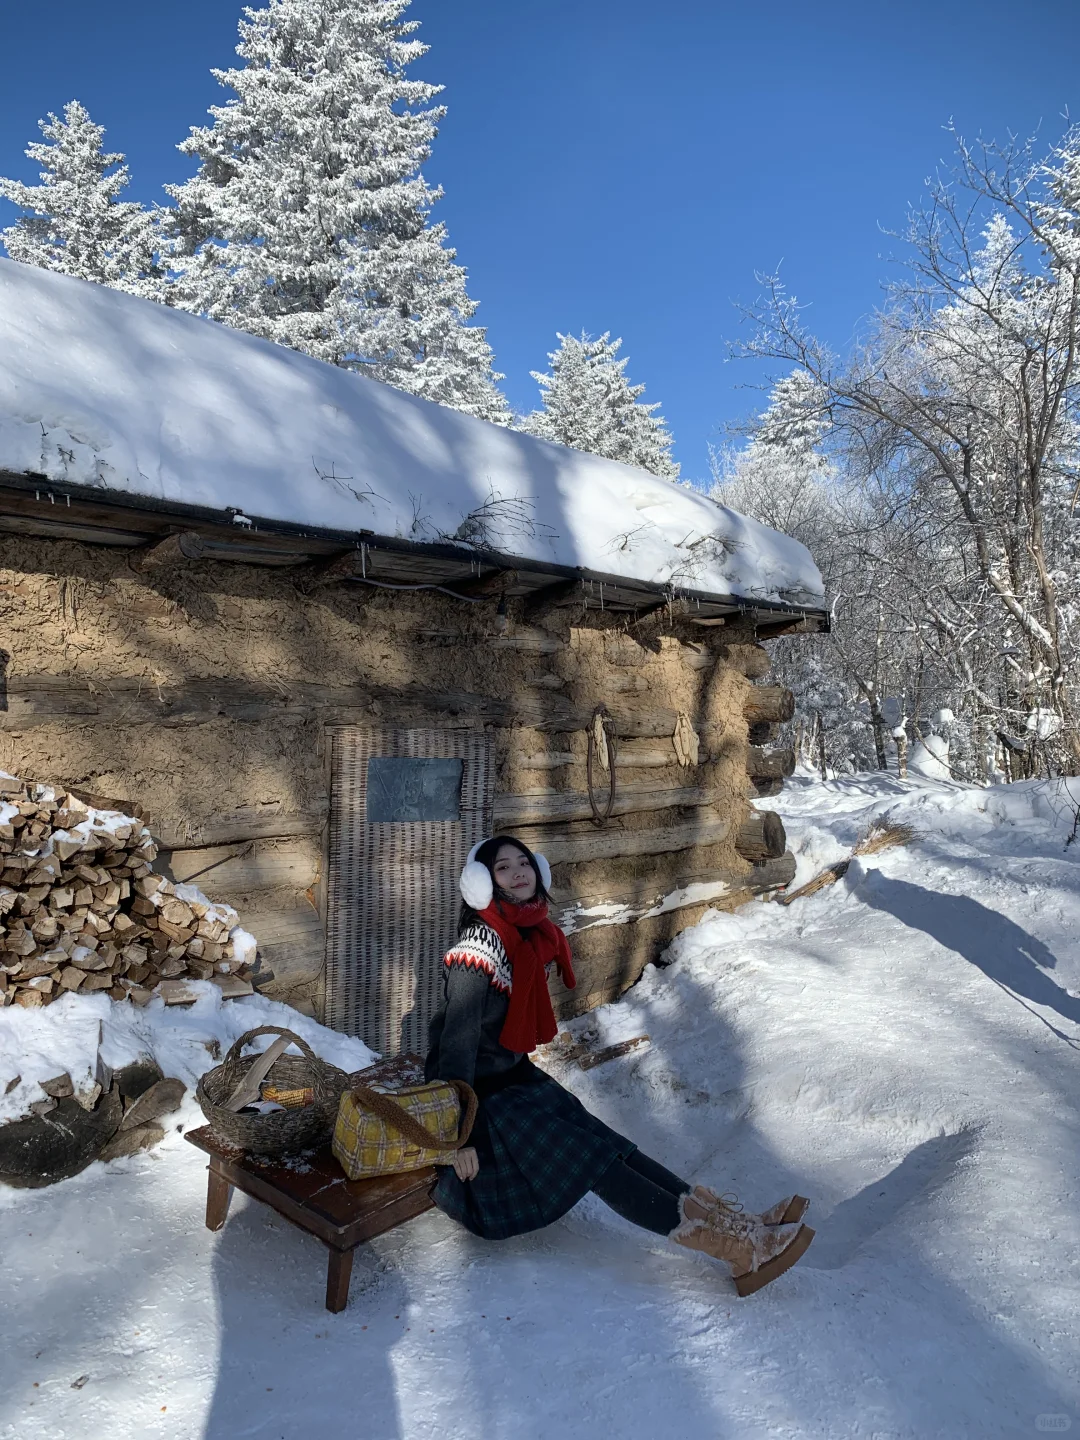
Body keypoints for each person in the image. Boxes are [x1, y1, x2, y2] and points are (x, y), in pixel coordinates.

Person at [425, 834, 815, 1296]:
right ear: (483, 884)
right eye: (502, 867)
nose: (518, 872)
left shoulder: (527, 934)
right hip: (481, 1104)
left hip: (515, 1082)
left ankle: (734, 1224)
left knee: (613, 1147)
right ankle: (738, 1252)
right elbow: (455, 1047)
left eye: (523, 862)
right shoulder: (477, 950)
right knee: (597, 1164)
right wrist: (457, 1138)